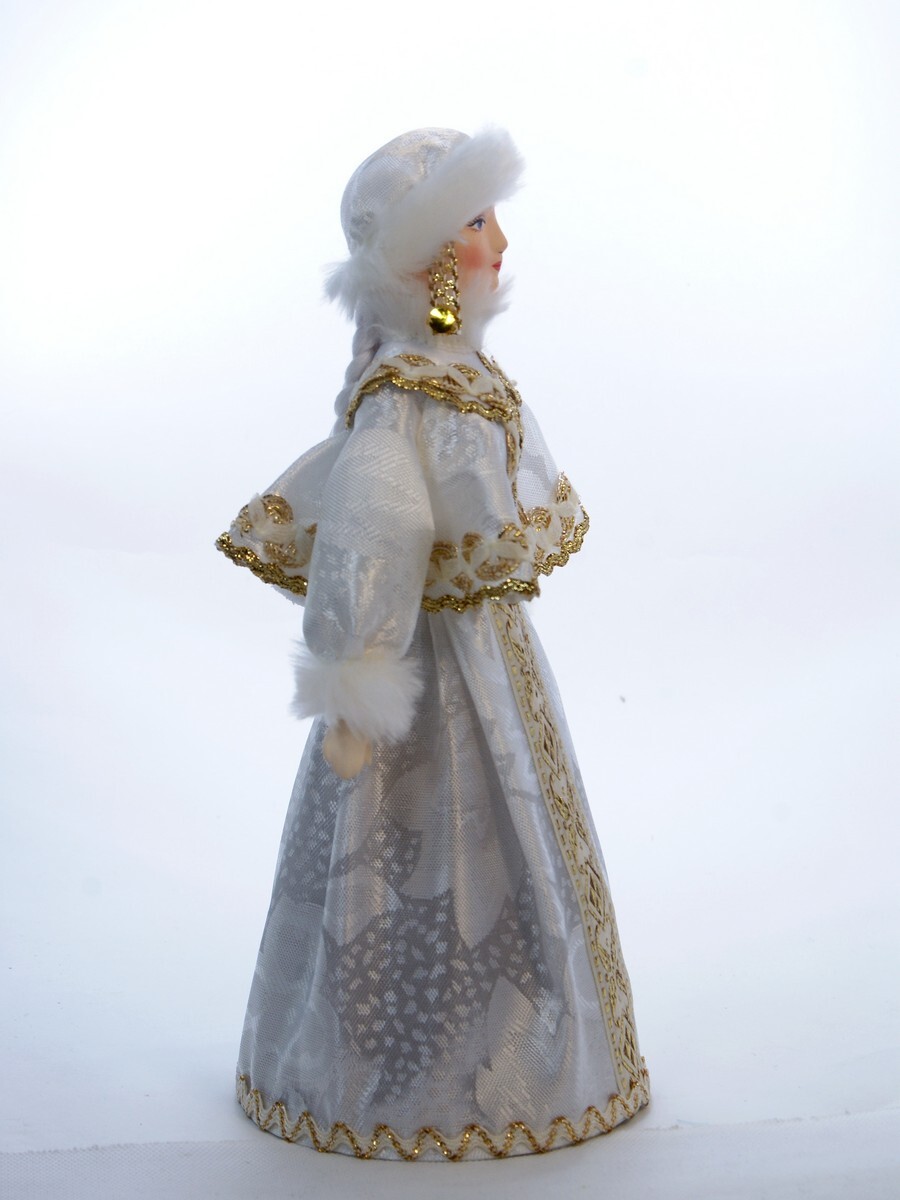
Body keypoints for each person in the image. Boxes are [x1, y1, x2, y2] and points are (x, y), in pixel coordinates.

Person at [216, 127, 650, 1160]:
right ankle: (394, 1082)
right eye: (475, 220)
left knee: (511, 842)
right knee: (415, 843)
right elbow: (372, 527)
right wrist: (356, 665)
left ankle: (522, 1057)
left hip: (489, 654)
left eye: (492, 218)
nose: (498, 241)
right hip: (427, 669)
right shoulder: (407, 390)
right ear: (424, 255)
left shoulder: (459, 371)